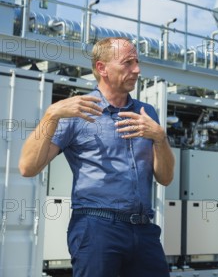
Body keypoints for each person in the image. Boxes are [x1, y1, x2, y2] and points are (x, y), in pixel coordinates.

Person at [19, 37, 175, 277]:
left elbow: (165, 178)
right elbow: (28, 167)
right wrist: (51, 114)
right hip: (97, 229)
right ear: (102, 68)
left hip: (144, 231)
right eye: (128, 63)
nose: (137, 69)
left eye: (137, 62)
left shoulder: (147, 113)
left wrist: (159, 137)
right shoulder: (77, 111)